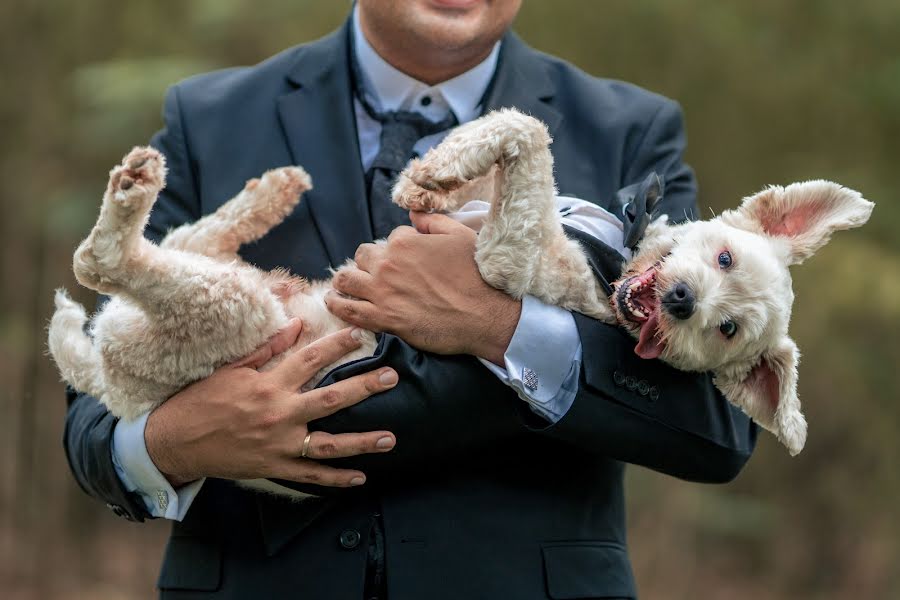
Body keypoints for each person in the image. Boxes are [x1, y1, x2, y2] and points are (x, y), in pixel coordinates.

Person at [64, 1, 757, 598]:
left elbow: (715, 427)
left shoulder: (630, 131)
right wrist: (175, 440)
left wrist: (500, 328)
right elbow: (89, 417)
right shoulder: (207, 117)